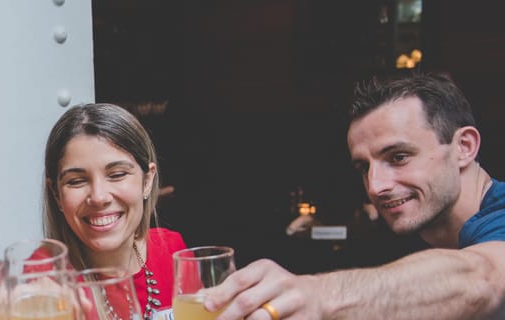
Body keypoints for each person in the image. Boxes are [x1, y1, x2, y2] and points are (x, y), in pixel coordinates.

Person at [201, 72, 505, 319]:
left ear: (464, 147)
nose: (375, 186)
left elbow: (483, 279)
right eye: (363, 167)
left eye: (398, 157)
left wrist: (319, 296)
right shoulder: (407, 234)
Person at [43, 103, 187, 320]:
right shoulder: (40, 277)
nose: (99, 197)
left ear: (147, 181)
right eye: (77, 181)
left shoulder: (173, 251)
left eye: (117, 174)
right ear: (56, 194)